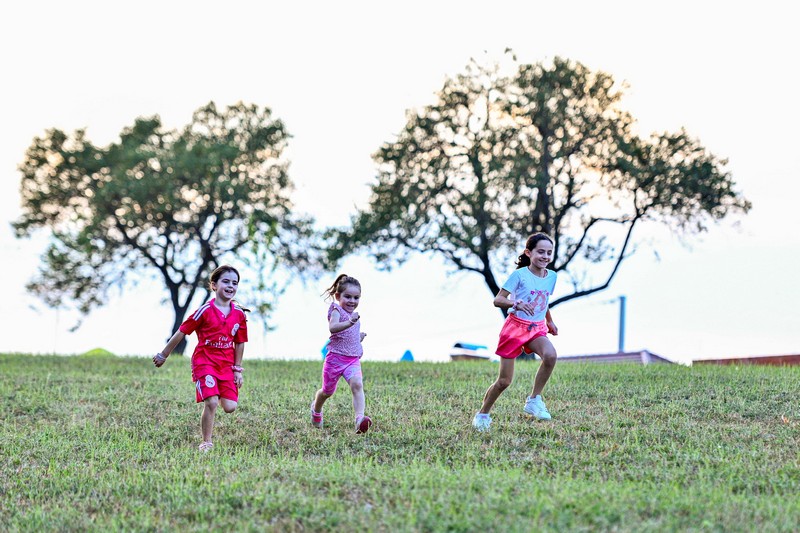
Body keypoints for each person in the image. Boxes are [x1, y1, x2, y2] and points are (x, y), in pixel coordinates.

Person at [153, 265, 248, 451]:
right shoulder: (204, 311)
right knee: (211, 402)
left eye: (234, 283)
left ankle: (217, 390)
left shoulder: (239, 315)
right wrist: (163, 354)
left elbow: (240, 343)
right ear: (214, 285)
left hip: (226, 366)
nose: (230, 286)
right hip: (204, 362)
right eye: (225, 281)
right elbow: (182, 331)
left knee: (230, 406)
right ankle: (206, 442)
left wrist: (237, 370)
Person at [472, 233, 559, 432]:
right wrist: (515, 302)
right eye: (540, 252)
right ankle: (483, 414)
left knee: (551, 355)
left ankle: (534, 400)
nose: (545, 256)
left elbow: (543, 300)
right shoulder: (519, 275)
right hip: (514, 328)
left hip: (536, 328)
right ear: (529, 253)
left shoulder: (552, 276)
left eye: (548, 253)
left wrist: (550, 321)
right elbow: (498, 300)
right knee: (504, 381)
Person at [310, 274, 372, 434]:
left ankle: (359, 420)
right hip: (335, 359)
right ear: (338, 296)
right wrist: (350, 322)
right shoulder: (336, 310)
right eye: (348, 296)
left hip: (352, 360)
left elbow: (348, 337)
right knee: (327, 391)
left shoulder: (355, 318)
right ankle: (316, 410)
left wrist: (358, 338)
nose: (352, 301)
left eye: (356, 297)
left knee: (357, 385)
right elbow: (333, 327)